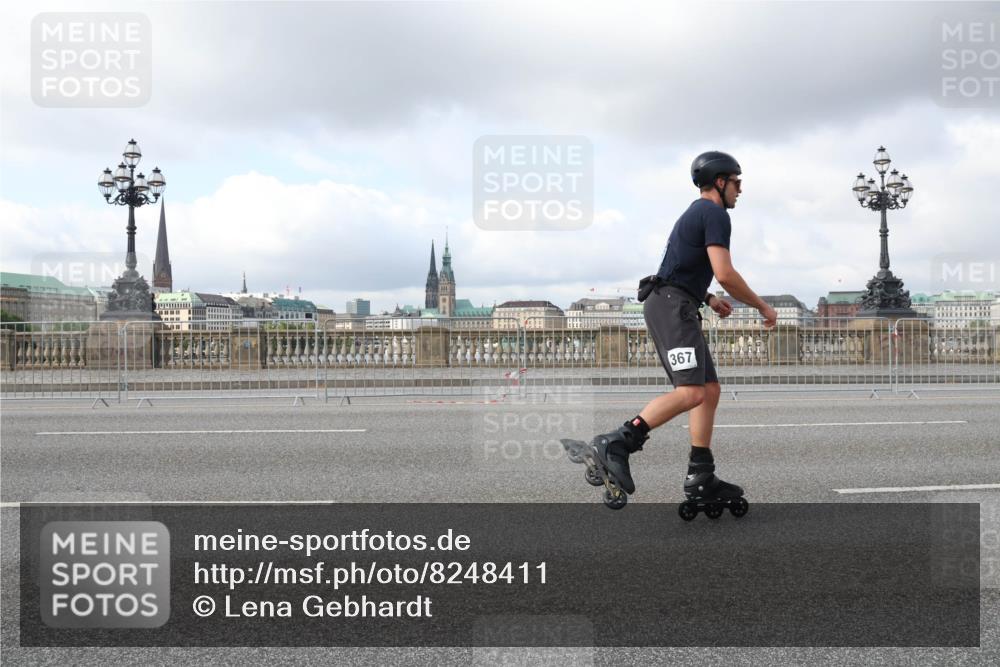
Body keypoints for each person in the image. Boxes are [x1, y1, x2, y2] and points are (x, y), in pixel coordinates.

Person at [590, 151, 778, 503]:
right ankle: (617, 442)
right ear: (720, 182)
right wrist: (762, 306)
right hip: (672, 307)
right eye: (737, 182)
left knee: (709, 389)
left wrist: (707, 298)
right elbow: (725, 273)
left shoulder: (697, 213)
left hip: (676, 302)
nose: (740, 190)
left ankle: (701, 473)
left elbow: (679, 265)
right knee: (691, 392)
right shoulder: (714, 213)